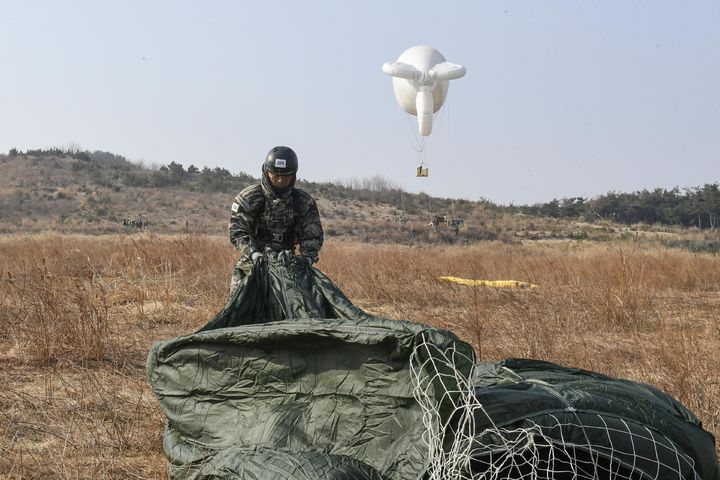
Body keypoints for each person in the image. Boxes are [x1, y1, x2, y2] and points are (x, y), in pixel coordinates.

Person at [228, 146, 324, 291]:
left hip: (288, 263)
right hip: (254, 260)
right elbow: (238, 231)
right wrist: (254, 254)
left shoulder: (303, 202)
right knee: (240, 298)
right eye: (275, 175)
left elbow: (313, 236)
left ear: (293, 175)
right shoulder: (248, 198)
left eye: (285, 176)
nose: (279, 180)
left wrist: (307, 259)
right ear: (266, 172)